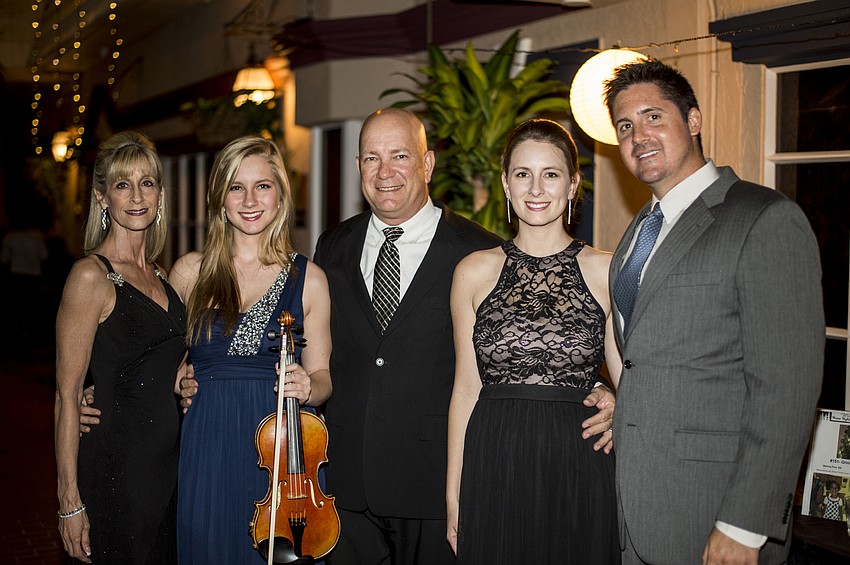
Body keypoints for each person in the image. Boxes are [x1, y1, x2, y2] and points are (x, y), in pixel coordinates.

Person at [311, 108, 616, 564]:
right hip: (347, 482)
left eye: (400, 156)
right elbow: (317, 347)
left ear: (428, 164)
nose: (385, 171)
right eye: (372, 158)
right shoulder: (332, 245)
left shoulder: (476, 249)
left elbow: (538, 341)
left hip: (432, 483)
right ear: (358, 167)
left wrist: (601, 388)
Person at [603, 58, 824, 564]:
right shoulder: (638, 232)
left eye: (654, 117)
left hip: (715, 513)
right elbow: (644, 359)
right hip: (635, 508)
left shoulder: (764, 218)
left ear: (694, 119)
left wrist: (744, 525)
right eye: (625, 126)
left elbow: (786, 389)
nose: (639, 136)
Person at [446, 118, 621, 564]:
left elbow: (632, 380)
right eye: (523, 174)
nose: (536, 188)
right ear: (506, 184)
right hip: (495, 460)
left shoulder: (606, 270)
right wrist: (453, 495)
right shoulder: (472, 272)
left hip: (579, 461)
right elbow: (465, 389)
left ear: (573, 184)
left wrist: (619, 406)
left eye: (551, 174)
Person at [168, 135, 333, 564]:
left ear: (280, 195)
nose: (249, 200)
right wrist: (175, 379)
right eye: (236, 187)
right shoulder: (189, 272)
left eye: (262, 185)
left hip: (280, 457)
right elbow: (161, 361)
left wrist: (308, 387)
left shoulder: (309, 278)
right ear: (220, 200)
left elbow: (324, 378)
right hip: (207, 445)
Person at [54, 131, 186, 564]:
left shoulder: (161, 275)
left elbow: (162, 364)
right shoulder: (90, 276)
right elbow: (67, 395)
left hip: (168, 471)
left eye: (147, 183)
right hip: (116, 469)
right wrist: (69, 501)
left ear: (160, 194)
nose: (137, 196)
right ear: (101, 197)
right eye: (122, 184)